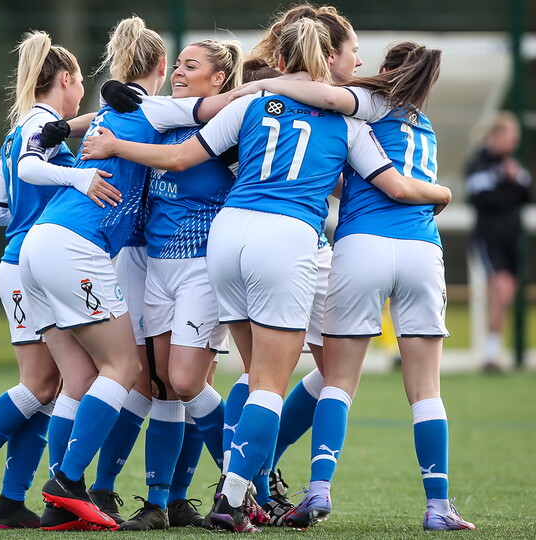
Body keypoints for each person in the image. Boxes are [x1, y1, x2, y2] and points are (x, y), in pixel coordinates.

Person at [81, 18, 452, 533]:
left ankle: (235, 485)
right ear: (326, 64)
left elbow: (183, 156)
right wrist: (443, 193)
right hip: (289, 238)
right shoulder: (350, 123)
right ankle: (237, 497)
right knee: (273, 386)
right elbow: (393, 186)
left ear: (279, 62)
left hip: (228, 235)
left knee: (253, 376)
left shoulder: (247, 103)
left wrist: (115, 145)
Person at [237, 41, 474, 531]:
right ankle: (438, 506)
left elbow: (326, 98)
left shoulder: (370, 104)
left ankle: (318, 489)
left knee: (339, 381)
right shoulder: (422, 125)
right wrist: (445, 193)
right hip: (422, 251)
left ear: (388, 71)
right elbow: (374, 177)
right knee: (426, 389)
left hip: (363, 245)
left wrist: (260, 84)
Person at [18, 15, 203, 531]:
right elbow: (214, 107)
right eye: (179, 64)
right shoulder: (155, 109)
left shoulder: (112, 113)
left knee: (79, 381)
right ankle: (72, 481)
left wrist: (68, 127)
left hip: (43, 247)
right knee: (128, 371)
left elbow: (92, 118)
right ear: (163, 66)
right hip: (85, 250)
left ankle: (63, 503)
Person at [0, 30, 119, 532]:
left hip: (22, 261)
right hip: (27, 267)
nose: (83, 93)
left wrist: (34, 209)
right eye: (80, 82)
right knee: (40, 384)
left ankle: (11, 502)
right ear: (64, 80)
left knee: (52, 387)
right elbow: (33, 170)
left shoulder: (20, 128)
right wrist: (77, 179)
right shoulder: (43, 126)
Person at [115, 39, 243, 531]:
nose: (179, 73)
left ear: (219, 82)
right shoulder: (164, 118)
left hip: (201, 267)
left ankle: (245, 480)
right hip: (158, 269)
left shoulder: (226, 130)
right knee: (166, 388)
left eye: (193, 66)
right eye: (178, 65)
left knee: (190, 381)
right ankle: (157, 502)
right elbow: (114, 114)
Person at [466, 111, 532, 372]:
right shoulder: (478, 165)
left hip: (512, 238)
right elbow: (482, 200)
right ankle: (491, 355)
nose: (513, 142)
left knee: (507, 294)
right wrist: (505, 185)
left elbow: (527, 196)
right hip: (489, 237)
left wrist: (515, 179)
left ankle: (494, 351)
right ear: (495, 136)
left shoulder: (514, 166)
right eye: (509, 136)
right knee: (501, 290)